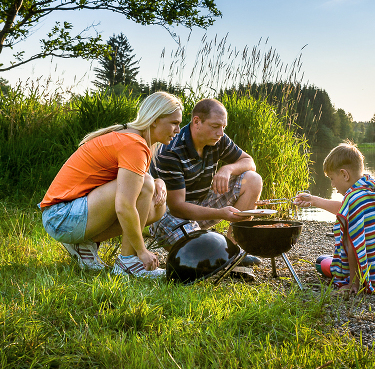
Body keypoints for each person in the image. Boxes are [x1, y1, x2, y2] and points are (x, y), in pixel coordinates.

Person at [39, 91, 183, 278]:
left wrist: (159, 181)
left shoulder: (134, 139)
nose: (178, 130)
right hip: (60, 217)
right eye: (174, 123)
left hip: (65, 216)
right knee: (146, 186)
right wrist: (142, 251)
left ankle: (84, 243)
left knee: (157, 207)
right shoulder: (134, 144)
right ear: (155, 120)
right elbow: (124, 205)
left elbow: (135, 184)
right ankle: (129, 263)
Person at [149, 98, 263, 267]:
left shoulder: (218, 139)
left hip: (201, 203)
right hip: (168, 214)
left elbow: (249, 162)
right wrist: (221, 214)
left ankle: (232, 251)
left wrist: (227, 169)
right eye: (215, 126)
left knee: (253, 179)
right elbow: (177, 207)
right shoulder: (171, 150)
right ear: (197, 122)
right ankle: (217, 253)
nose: (221, 133)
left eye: (223, 127)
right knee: (204, 256)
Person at [295, 142, 375, 295]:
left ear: (345, 175)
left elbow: (354, 242)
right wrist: (313, 200)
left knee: (321, 262)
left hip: (370, 274)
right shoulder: (368, 188)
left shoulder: (353, 199)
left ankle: (362, 275)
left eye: (332, 178)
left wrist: (354, 282)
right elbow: (345, 209)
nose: (333, 184)